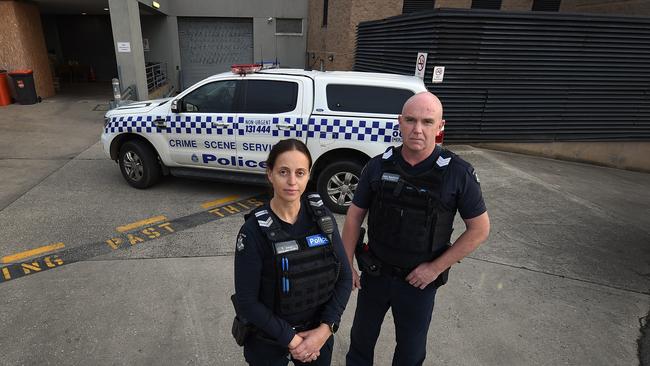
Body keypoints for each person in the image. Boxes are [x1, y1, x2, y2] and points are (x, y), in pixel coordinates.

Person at [343, 92, 490, 366]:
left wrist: (435, 268)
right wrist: (347, 263)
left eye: (427, 121)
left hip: (418, 283)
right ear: (400, 122)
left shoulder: (458, 173)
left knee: (410, 355)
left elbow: (479, 229)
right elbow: (353, 217)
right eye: (410, 120)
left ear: (440, 126)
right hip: (374, 276)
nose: (417, 129)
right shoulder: (377, 166)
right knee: (360, 345)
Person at [233, 138, 352, 365]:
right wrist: (293, 341)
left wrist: (326, 329)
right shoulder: (253, 231)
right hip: (268, 338)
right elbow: (247, 301)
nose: (292, 182)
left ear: (309, 175)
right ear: (270, 174)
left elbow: (345, 278)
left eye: (300, 173)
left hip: (317, 335)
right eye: (283, 172)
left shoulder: (322, 218)